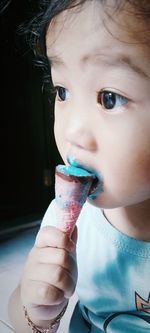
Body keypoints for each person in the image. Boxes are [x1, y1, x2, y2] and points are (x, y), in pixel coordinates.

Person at [8, 0, 150, 332]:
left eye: (109, 98)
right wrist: (37, 309)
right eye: (62, 91)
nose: (73, 132)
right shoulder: (72, 223)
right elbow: (25, 321)